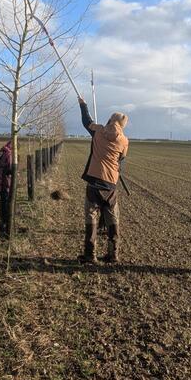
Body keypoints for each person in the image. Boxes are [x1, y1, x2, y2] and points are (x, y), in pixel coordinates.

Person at [78, 97, 129, 264]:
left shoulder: (98, 131)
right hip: (110, 185)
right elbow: (121, 160)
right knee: (113, 219)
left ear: (110, 120)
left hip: (94, 182)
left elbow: (87, 122)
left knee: (91, 218)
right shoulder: (124, 141)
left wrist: (83, 105)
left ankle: (90, 255)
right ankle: (113, 254)